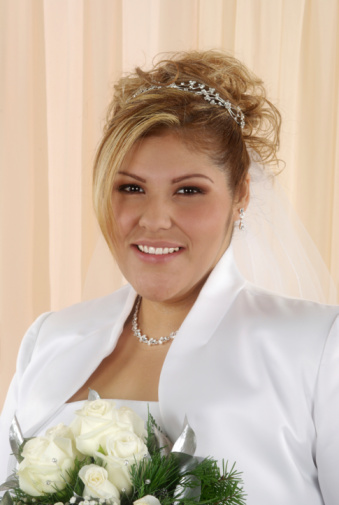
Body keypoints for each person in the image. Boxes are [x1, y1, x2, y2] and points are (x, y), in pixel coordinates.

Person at [1, 50, 338, 505]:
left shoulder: (317, 348)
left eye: (189, 191)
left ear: (241, 195)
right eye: (131, 188)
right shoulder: (49, 340)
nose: (155, 220)